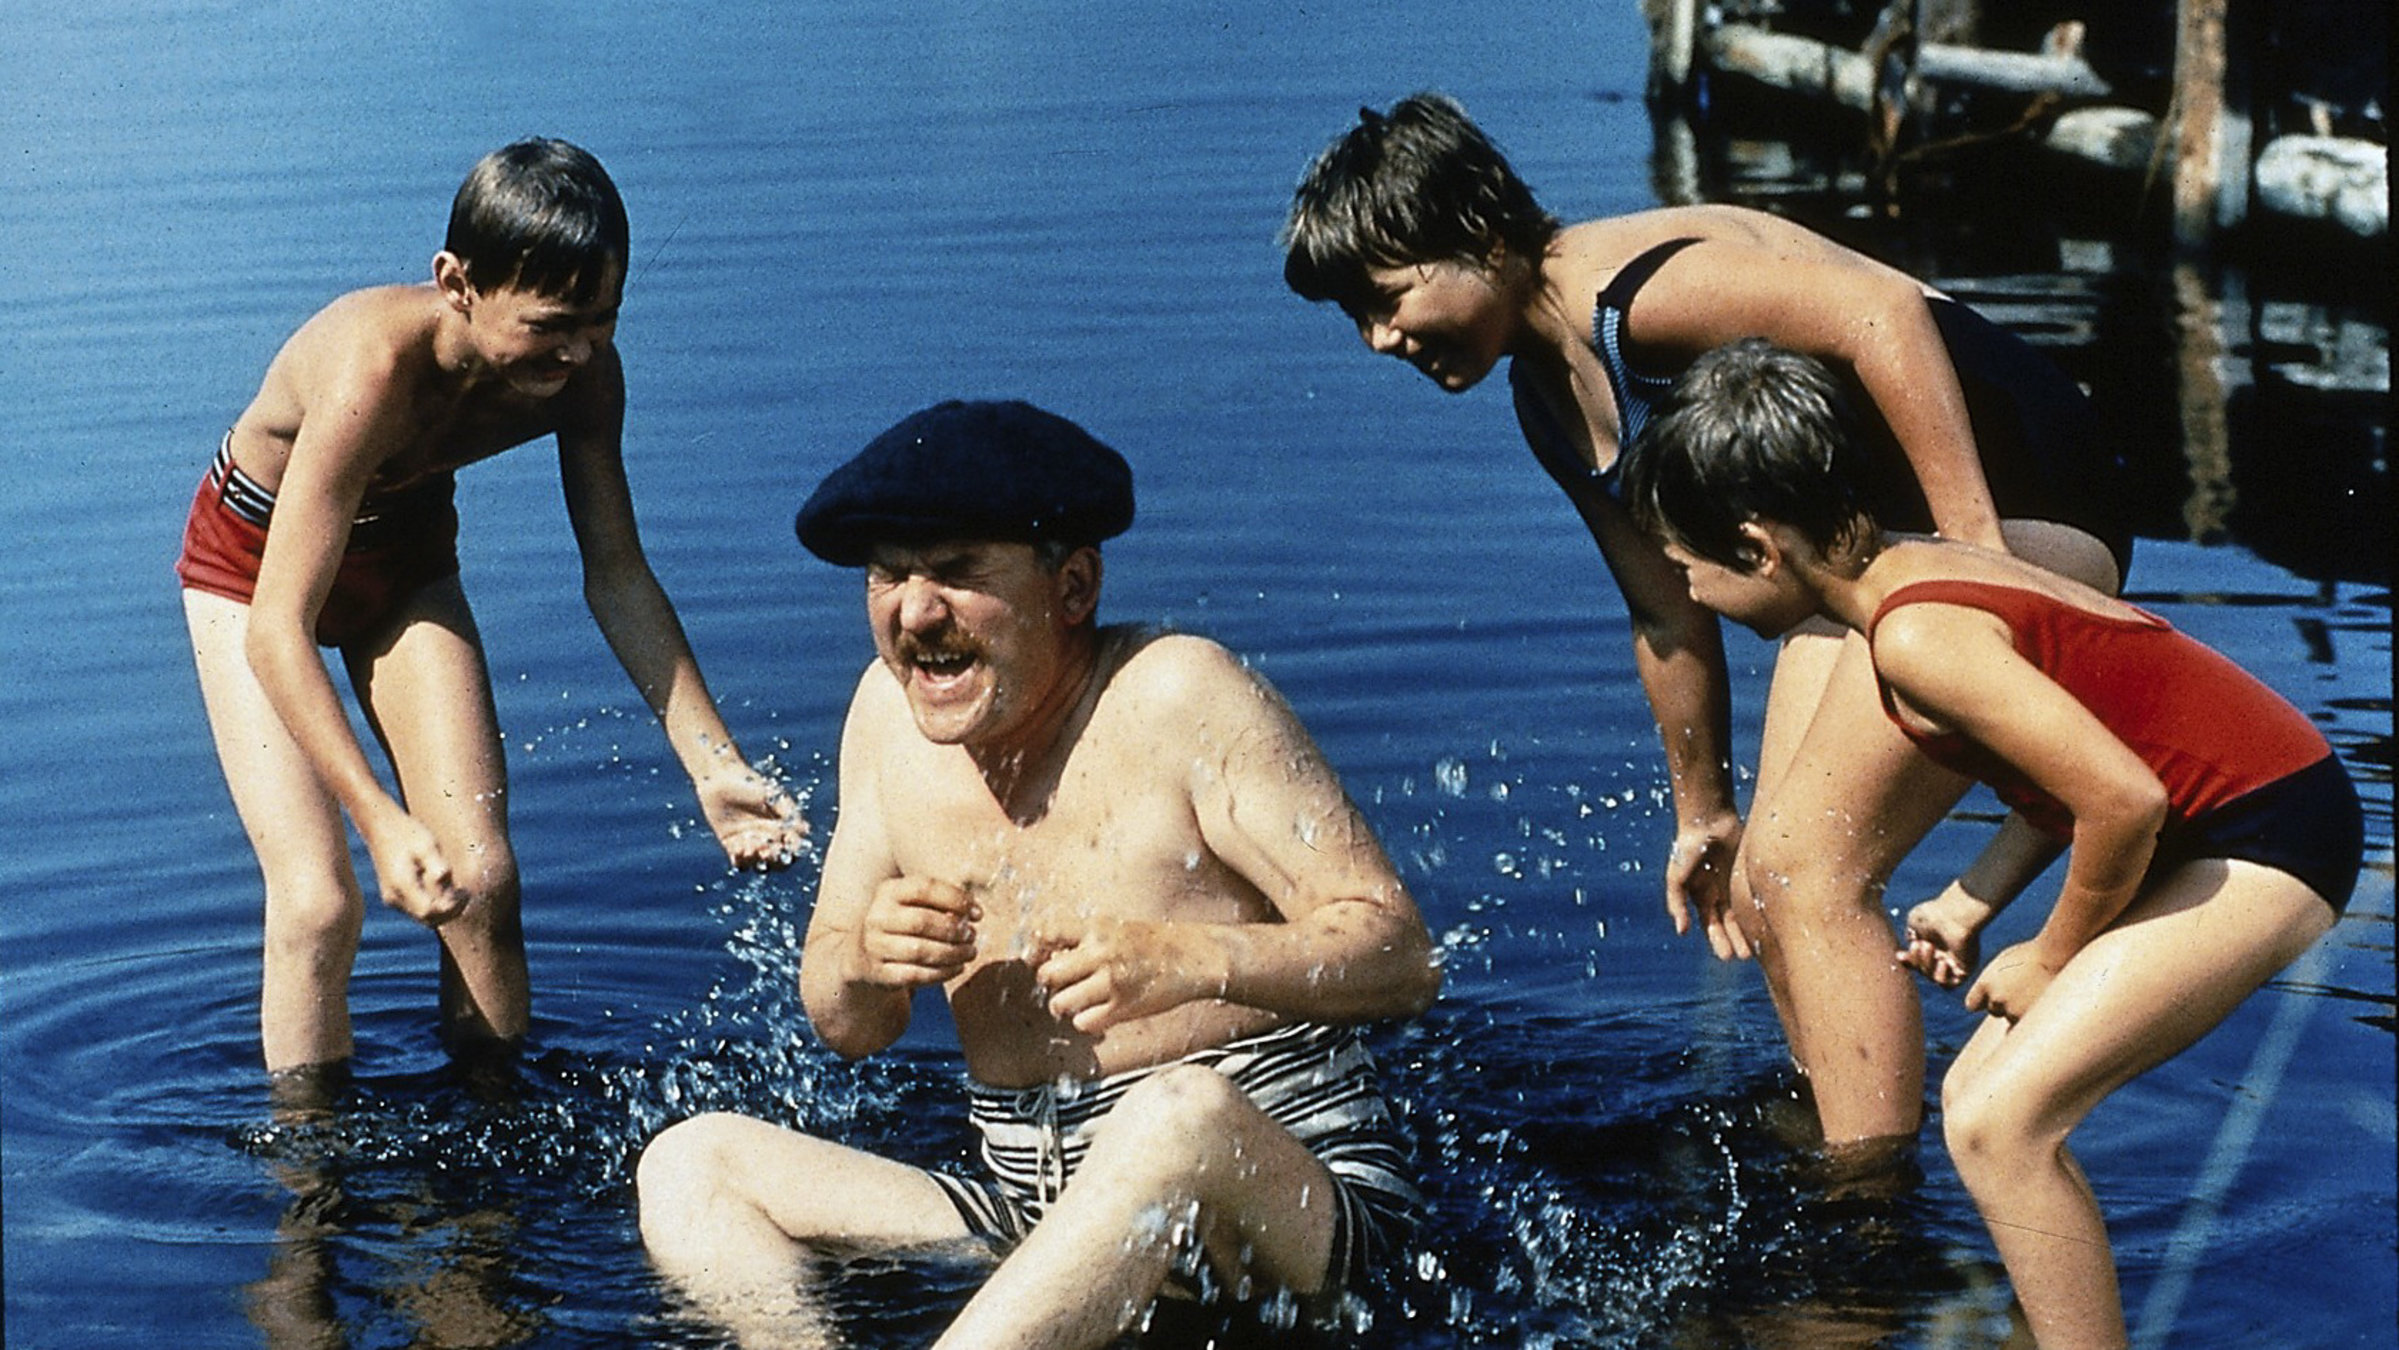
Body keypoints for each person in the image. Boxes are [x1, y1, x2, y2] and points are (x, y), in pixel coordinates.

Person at [1280, 92, 2134, 1155]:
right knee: (1773, 887)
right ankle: (1848, 1140)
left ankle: (1868, 1214)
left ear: (1483, 236)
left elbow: (1884, 316)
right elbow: (1664, 606)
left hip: (2027, 514)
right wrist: (1702, 811)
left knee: (1812, 874)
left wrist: (1979, 565)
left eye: (1388, 297)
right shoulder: (1549, 401)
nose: (1377, 339)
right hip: (1873, 561)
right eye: (1354, 318)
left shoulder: (1639, 295)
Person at [635, 399, 1441, 1348]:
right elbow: (846, 1025)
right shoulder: (885, 721)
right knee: (692, 1163)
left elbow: (1401, 958)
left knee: (1174, 1113)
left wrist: (1193, 959)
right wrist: (865, 959)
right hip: (1037, 1216)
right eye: (888, 575)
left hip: (1284, 1209)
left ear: (1073, 586)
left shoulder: (1179, 691)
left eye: (958, 572)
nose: (914, 611)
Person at [1623, 338, 2361, 1349]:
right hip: (2232, 810)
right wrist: (1975, 894)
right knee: (1977, 1095)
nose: (1690, 594)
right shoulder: (1912, 577)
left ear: (1758, 547)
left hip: (2272, 828)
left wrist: (2047, 958)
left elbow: (2122, 800)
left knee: (1998, 1124)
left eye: (1688, 567)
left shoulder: (1915, 635)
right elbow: (2087, 758)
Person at [178, 138, 803, 1080]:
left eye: (603, 318)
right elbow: (277, 628)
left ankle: (492, 1172)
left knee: (480, 882)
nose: (581, 349)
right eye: (553, 322)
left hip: (403, 563)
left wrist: (710, 765)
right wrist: (382, 820)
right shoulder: (373, 370)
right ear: (456, 282)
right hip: (252, 571)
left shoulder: (585, 374)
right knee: (317, 902)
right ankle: (310, 1193)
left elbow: (618, 574)